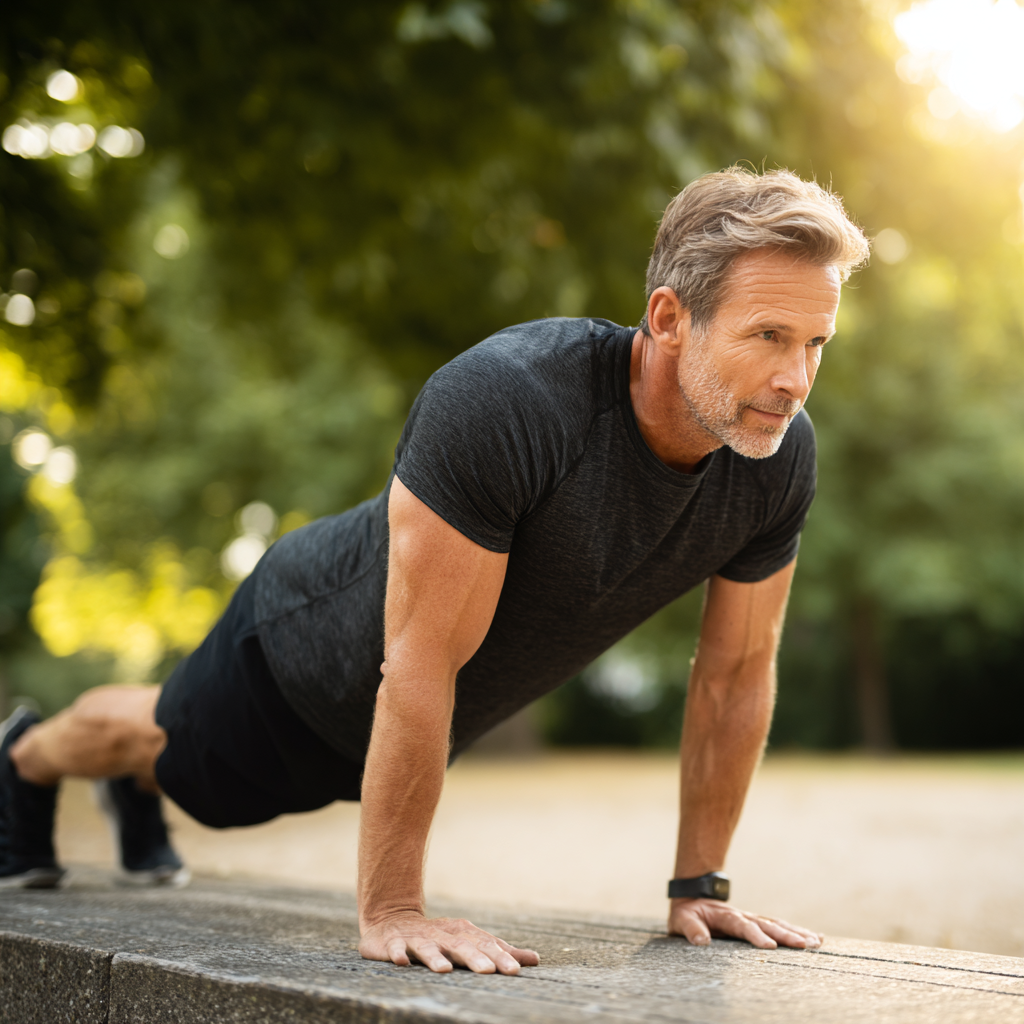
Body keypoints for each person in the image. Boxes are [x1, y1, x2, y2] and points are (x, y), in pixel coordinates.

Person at [0, 166, 869, 974]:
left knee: (175, 756)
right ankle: (26, 757)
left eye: (816, 343)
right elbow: (416, 661)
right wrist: (394, 911)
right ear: (672, 319)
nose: (796, 380)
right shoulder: (509, 400)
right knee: (174, 753)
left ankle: (119, 775)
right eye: (767, 336)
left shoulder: (776, 456)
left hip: (418, 714)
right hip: (311, 651)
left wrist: (699, 887)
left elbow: (736, 673)